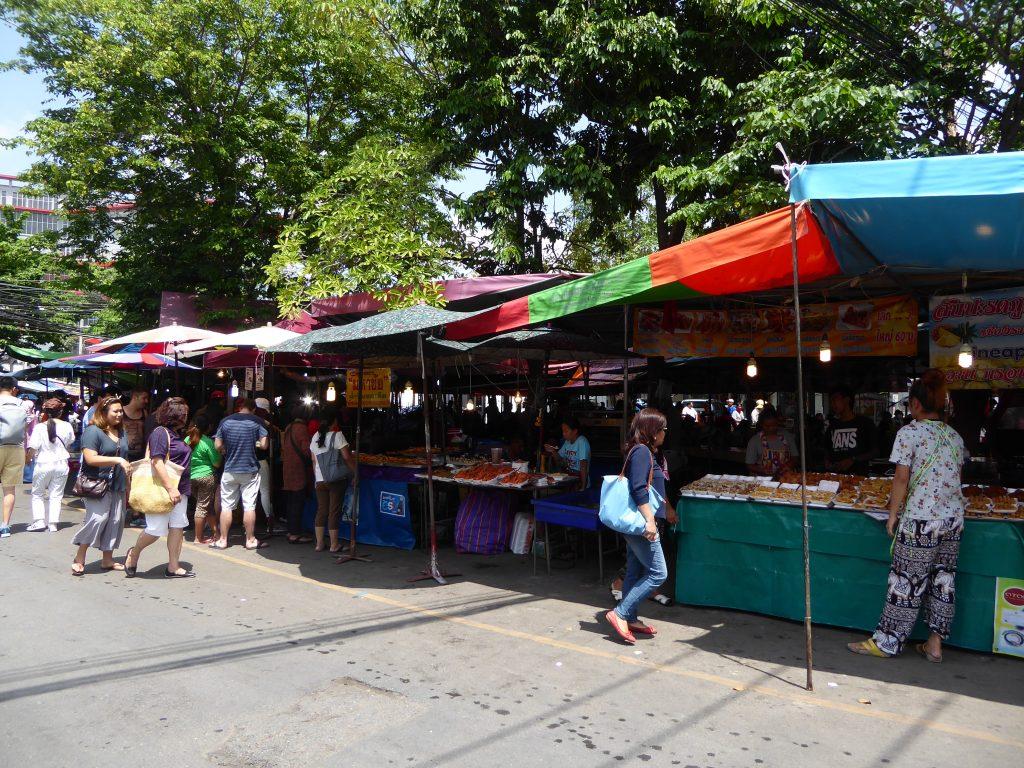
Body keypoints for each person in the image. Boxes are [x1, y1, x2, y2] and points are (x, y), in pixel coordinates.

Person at [848, 370, 966, 662]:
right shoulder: (954, 437)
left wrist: (892, 515)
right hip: (952, 520)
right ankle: (935, 644)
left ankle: (887, 643)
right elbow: (956, 479)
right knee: (943, 580)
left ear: (914, 403)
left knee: (906, 581)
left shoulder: (909, 433)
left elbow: (901, 479)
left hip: (921, 521)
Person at [604, 408, 669, 645]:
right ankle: (620, 613)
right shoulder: (641, 452)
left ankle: (629, 617)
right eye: (662, 429)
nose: (664, 433)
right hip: (643, 524)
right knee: (658, 573)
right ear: (652, 431)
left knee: (634, 569)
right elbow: (639, 488)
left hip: (640, 524)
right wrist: (650, 520)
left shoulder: (642, 451)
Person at [124, 397, 195, 578]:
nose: (186, 416)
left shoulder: (176, 434)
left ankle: (173, 566)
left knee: (178, 526)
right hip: (164, 488)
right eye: (183, 413)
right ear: (175, 415)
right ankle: (134, 552)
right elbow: (157, 461)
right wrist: (171, 488)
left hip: (181, 489)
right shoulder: (160, 433)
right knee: (156, 529)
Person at [71, 396, 131, 575]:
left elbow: (125, 458)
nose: (120, 414)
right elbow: (90, 458)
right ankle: (79, 557)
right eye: (115, 411)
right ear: (103, 413)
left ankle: (107, 559)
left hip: (117, 484)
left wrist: (129, 485)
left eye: (121, 411)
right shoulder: (93, 431)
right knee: (98, 519)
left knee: (115, 521)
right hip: (97, 484)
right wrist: (117, 459)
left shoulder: (121, 432)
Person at [211, 397, 269, 550]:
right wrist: (253, 443)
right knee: (249, 506)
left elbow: (217, 445)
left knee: (227, 506)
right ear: (253, 409)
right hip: (249, 470)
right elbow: (264, 445)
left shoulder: (225, 421)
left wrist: (226, 449)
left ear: (239, 408)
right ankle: (250, 540)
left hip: (230, 469)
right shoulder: (257, 421)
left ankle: (222, 540)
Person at [309, 409, 355, 553]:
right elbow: (347, 457)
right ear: (334, 421)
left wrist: (317, 478)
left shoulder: (315, 436)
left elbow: (313, 460)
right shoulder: (338, 436)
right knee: (334, 511)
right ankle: (334, 545)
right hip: (336, 479)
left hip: (320, 479)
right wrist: (355, 472)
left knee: (322, 511)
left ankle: (319, 544)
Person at [26, 398, 75, 532]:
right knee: (56, 495)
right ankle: (53, 523)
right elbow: (70, 441)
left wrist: (27, 460)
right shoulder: (67, 426)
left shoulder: (40, 427)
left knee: (37, 494)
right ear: (61, 411)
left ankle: (39, 521)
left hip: (43, 463)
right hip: (61, 464)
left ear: (45, 412)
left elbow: (33, 448)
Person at [186, 413, 222, 544]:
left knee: (206, 506)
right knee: (202, 506)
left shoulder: (187, 440)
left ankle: (216, 533)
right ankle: (198, 538)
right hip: (206, 477)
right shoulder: (208, 442)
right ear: (208, 428)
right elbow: (216, 463)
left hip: (191, 477)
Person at [281, 405, 314, 544]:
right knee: (297, 501)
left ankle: (290, 530)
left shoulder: (289, 427)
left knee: (291, 501)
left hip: (287, 467)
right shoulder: (302, 428)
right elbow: (306, 450)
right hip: (298, 469)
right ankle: (295, 534)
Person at [826, 386, 876, 475]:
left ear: (847, 400)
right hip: (835, 478)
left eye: (835, 400)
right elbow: (827, 449)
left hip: (859, 478)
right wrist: (828, 461)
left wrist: (853, 459)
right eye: (831, 401)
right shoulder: (832, 426)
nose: (832, 404)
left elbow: (875, 451)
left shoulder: (865, 423)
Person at [0, 376, 27, 538]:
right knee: (9, 490)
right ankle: (5, 526)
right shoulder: (22, 404)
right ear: (14, 389)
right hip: (16, 448)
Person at [745, 406, 798, 476]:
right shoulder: (755, 441)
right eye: (767, 426)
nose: (771, 428)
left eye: (774, 425)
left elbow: (795, 457)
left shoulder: (787, 436)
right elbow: (749, 464)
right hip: (763, 480)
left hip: (785, 478)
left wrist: (788, 466)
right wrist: (764, 470)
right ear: (761, 424)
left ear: (778, 423)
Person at [543, 415, 591, 490]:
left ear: (575, 431)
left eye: (566, 431)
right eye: (563, 431)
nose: (563, 433)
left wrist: (583, 487)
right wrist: (552, 451)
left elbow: (583, 466)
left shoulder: (582, 442)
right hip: (570, 477)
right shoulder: (567, 442)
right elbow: (559, 458)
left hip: (579, 479)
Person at [253, 397, 278, 533]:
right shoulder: (264, 424)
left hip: (247, 461)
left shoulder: (246, 421)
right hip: (260, 460)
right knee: (264, 491)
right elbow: (264, 445)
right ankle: (269, 520)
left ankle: (248, 525)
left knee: (249, 493)